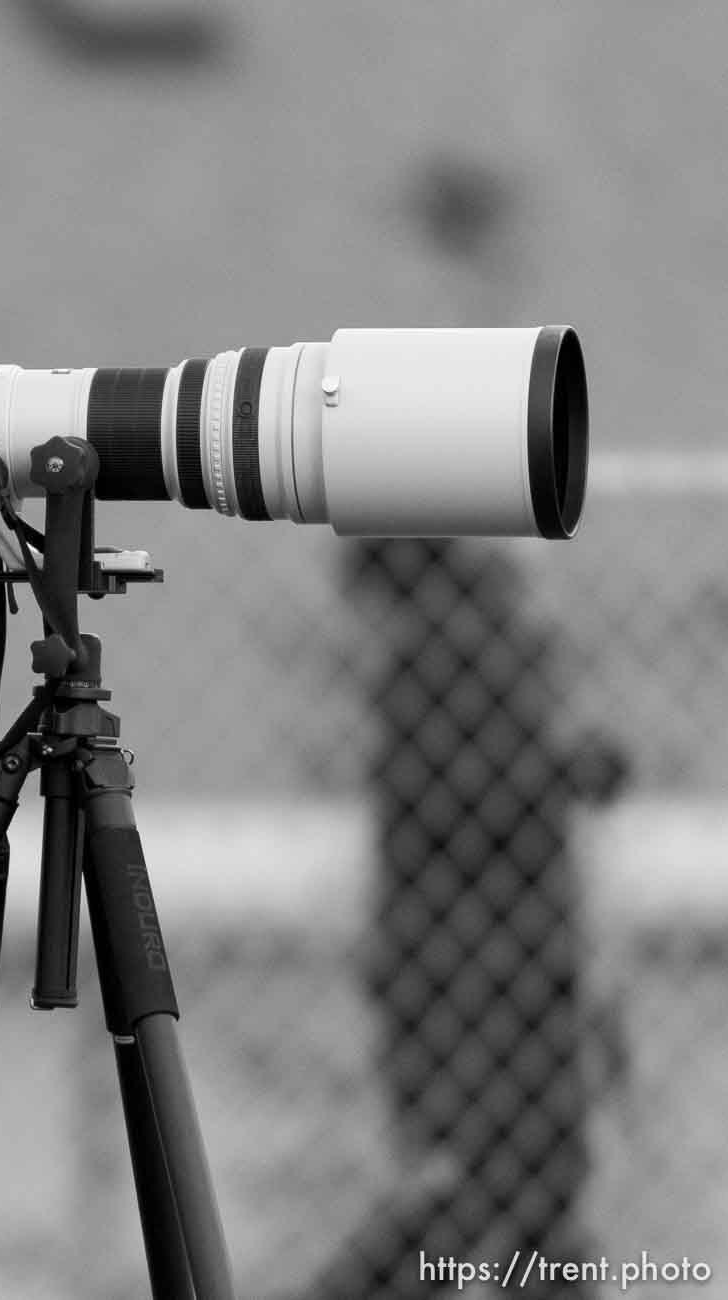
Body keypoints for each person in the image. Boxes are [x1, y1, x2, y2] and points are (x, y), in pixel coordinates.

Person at [293, 538, 628, 1299]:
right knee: (510, 1199)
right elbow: (478, 796)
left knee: (484, 1195)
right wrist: (565, 771)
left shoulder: (449, 648)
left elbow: (470, 798)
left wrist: (561, 771)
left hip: (475, 975)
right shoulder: (475, 644)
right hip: (499, 972)